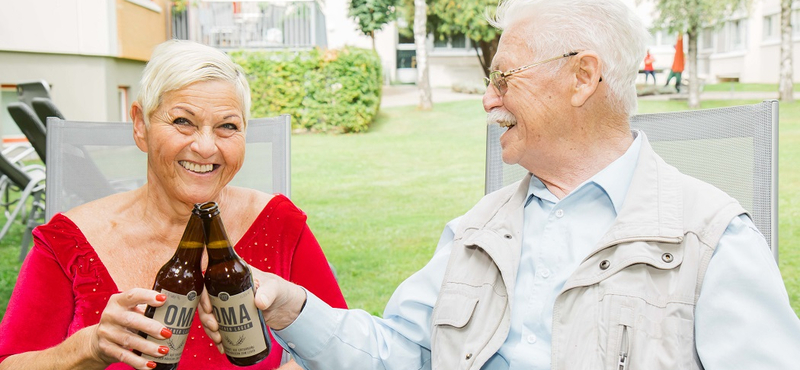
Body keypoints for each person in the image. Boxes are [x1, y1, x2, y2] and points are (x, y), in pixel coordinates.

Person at [200, 0, 800, 369]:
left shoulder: (710, 240)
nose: (487, 101)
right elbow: (400, 355)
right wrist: (291, 307)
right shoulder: (478, 231)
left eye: (504, 78)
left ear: (582, 77)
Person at [0, 40, 347, 370]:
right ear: (141, 125)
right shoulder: (69, 240)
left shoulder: (278, 224)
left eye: (228, 126)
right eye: (183, 121)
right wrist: (89, 347)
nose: (206, 147)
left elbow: (344, 346)